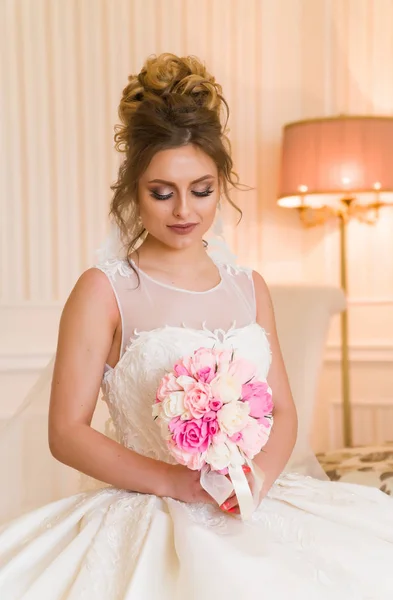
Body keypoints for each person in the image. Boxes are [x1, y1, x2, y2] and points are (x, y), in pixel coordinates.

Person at [0, 53, 393, 600]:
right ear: (132, 190)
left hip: (248, 500)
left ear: (222, 183)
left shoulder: (248, 285)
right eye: (161, 192)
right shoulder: (104, 289)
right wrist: (175, 483)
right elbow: (66, 432)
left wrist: (258, 478)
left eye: (201, 190)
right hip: (149, 507)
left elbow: (282, 409)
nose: (183, 210)